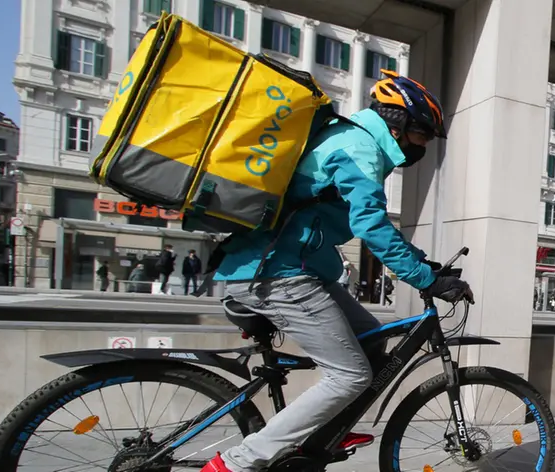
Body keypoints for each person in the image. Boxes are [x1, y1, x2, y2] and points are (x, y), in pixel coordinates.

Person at [201, 70, 474, 472]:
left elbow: (366, 221)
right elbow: (371, 226)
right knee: (348, 376)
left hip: (294, 270)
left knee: (371, 338)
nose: (424, 147)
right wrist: (426, 279)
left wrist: (421, 262)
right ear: (399, 125)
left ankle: (328, 429)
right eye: (423, 136)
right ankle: (237, 464)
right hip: (278, 274)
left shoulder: (352, 140)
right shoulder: (358, 146)